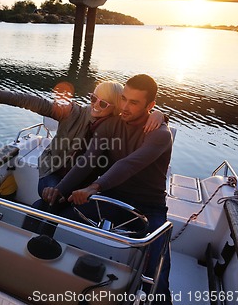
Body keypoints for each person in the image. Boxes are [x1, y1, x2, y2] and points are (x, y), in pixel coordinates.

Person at [41, 74, 173, 304]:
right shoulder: (111, 125)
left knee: (157, 269)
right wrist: (60, 190)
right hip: (111, 197)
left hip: (149, 207)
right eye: (123, 99)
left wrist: (94, 187)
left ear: (150, 106)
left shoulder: (160, 134)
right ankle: (37, 265)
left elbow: (130, 164)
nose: (125, 107)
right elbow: (88, 160)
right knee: (45, 209)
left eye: (134, 102)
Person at [0, 81, 164, 201]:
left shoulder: (117, 125)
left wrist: (161, 115)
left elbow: (140, 117)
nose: (95, 106)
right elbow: (38, 104)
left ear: (116, 107)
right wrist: (1, 96)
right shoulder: (73, 112)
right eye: (93, 98)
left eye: (103, 103)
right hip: (52, 170)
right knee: (53, 196)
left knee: (68, 202)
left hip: (85, 179)